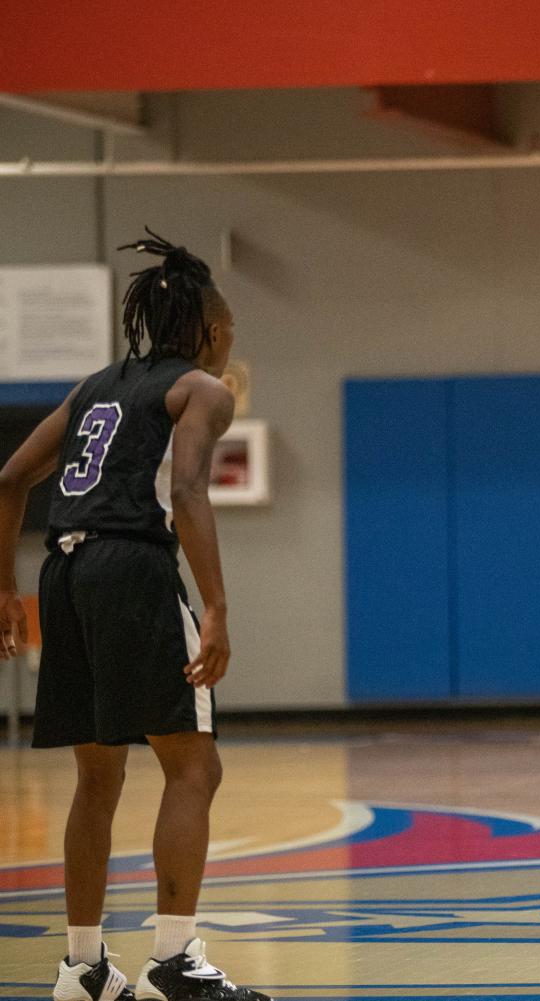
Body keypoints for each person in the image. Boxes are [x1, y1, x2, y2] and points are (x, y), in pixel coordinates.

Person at [0, 231, 269, 1001]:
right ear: (212, 332)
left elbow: (11, 478)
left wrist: (3, 591)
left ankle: (82, 969)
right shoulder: (201, 389)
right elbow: (186, 492)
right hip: (130, 568)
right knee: (194, 763)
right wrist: (214, 606)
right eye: (230, 334)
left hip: (63, 570)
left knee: (97, 775)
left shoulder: (94, 386)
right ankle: (175, 960)